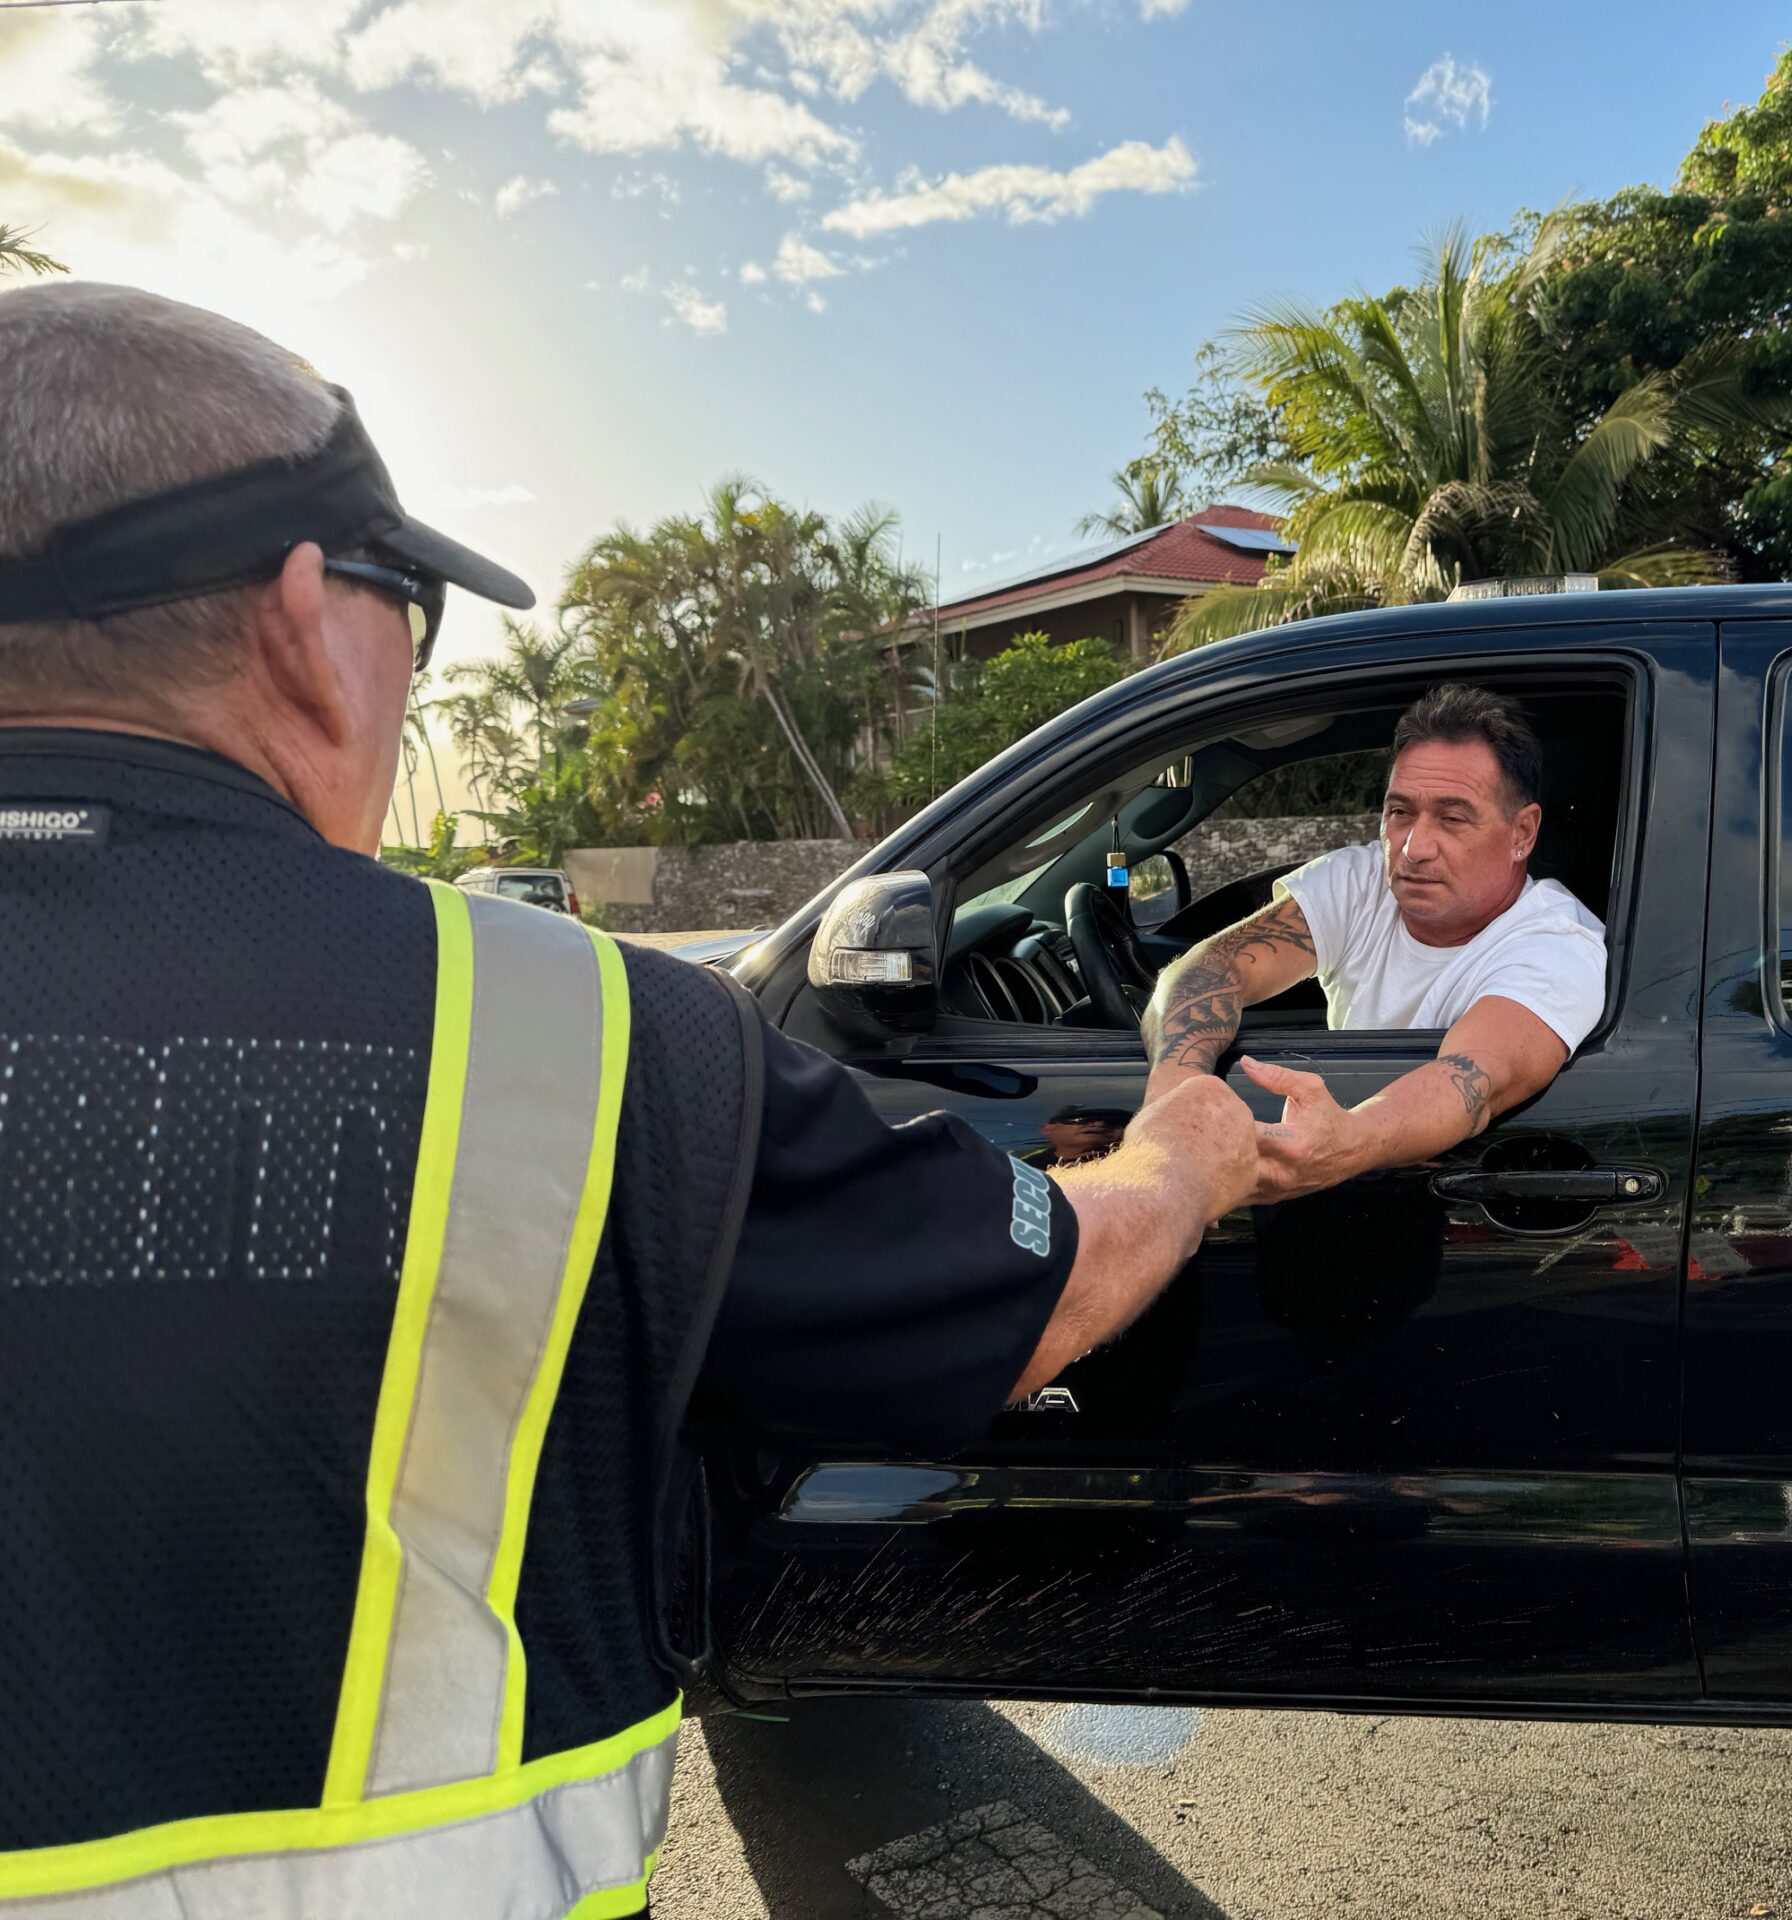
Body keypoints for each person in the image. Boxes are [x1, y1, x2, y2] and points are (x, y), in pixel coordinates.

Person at [0, 282, 1255, 1919]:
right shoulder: (563, 1038)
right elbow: (1043, 1292)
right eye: (415, 613)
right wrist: (1183, 1148)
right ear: (312, 618)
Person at [1143, 682, 1606, 1206]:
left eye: (1453, 818)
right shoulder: (1365, 880)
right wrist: (1173, 1100)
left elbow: (1470, 1083)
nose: (1414, 847)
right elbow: (1212, 965)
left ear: (1523, 832)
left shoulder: (1557, 945)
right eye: (1400, 812)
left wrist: (1343, 1142)